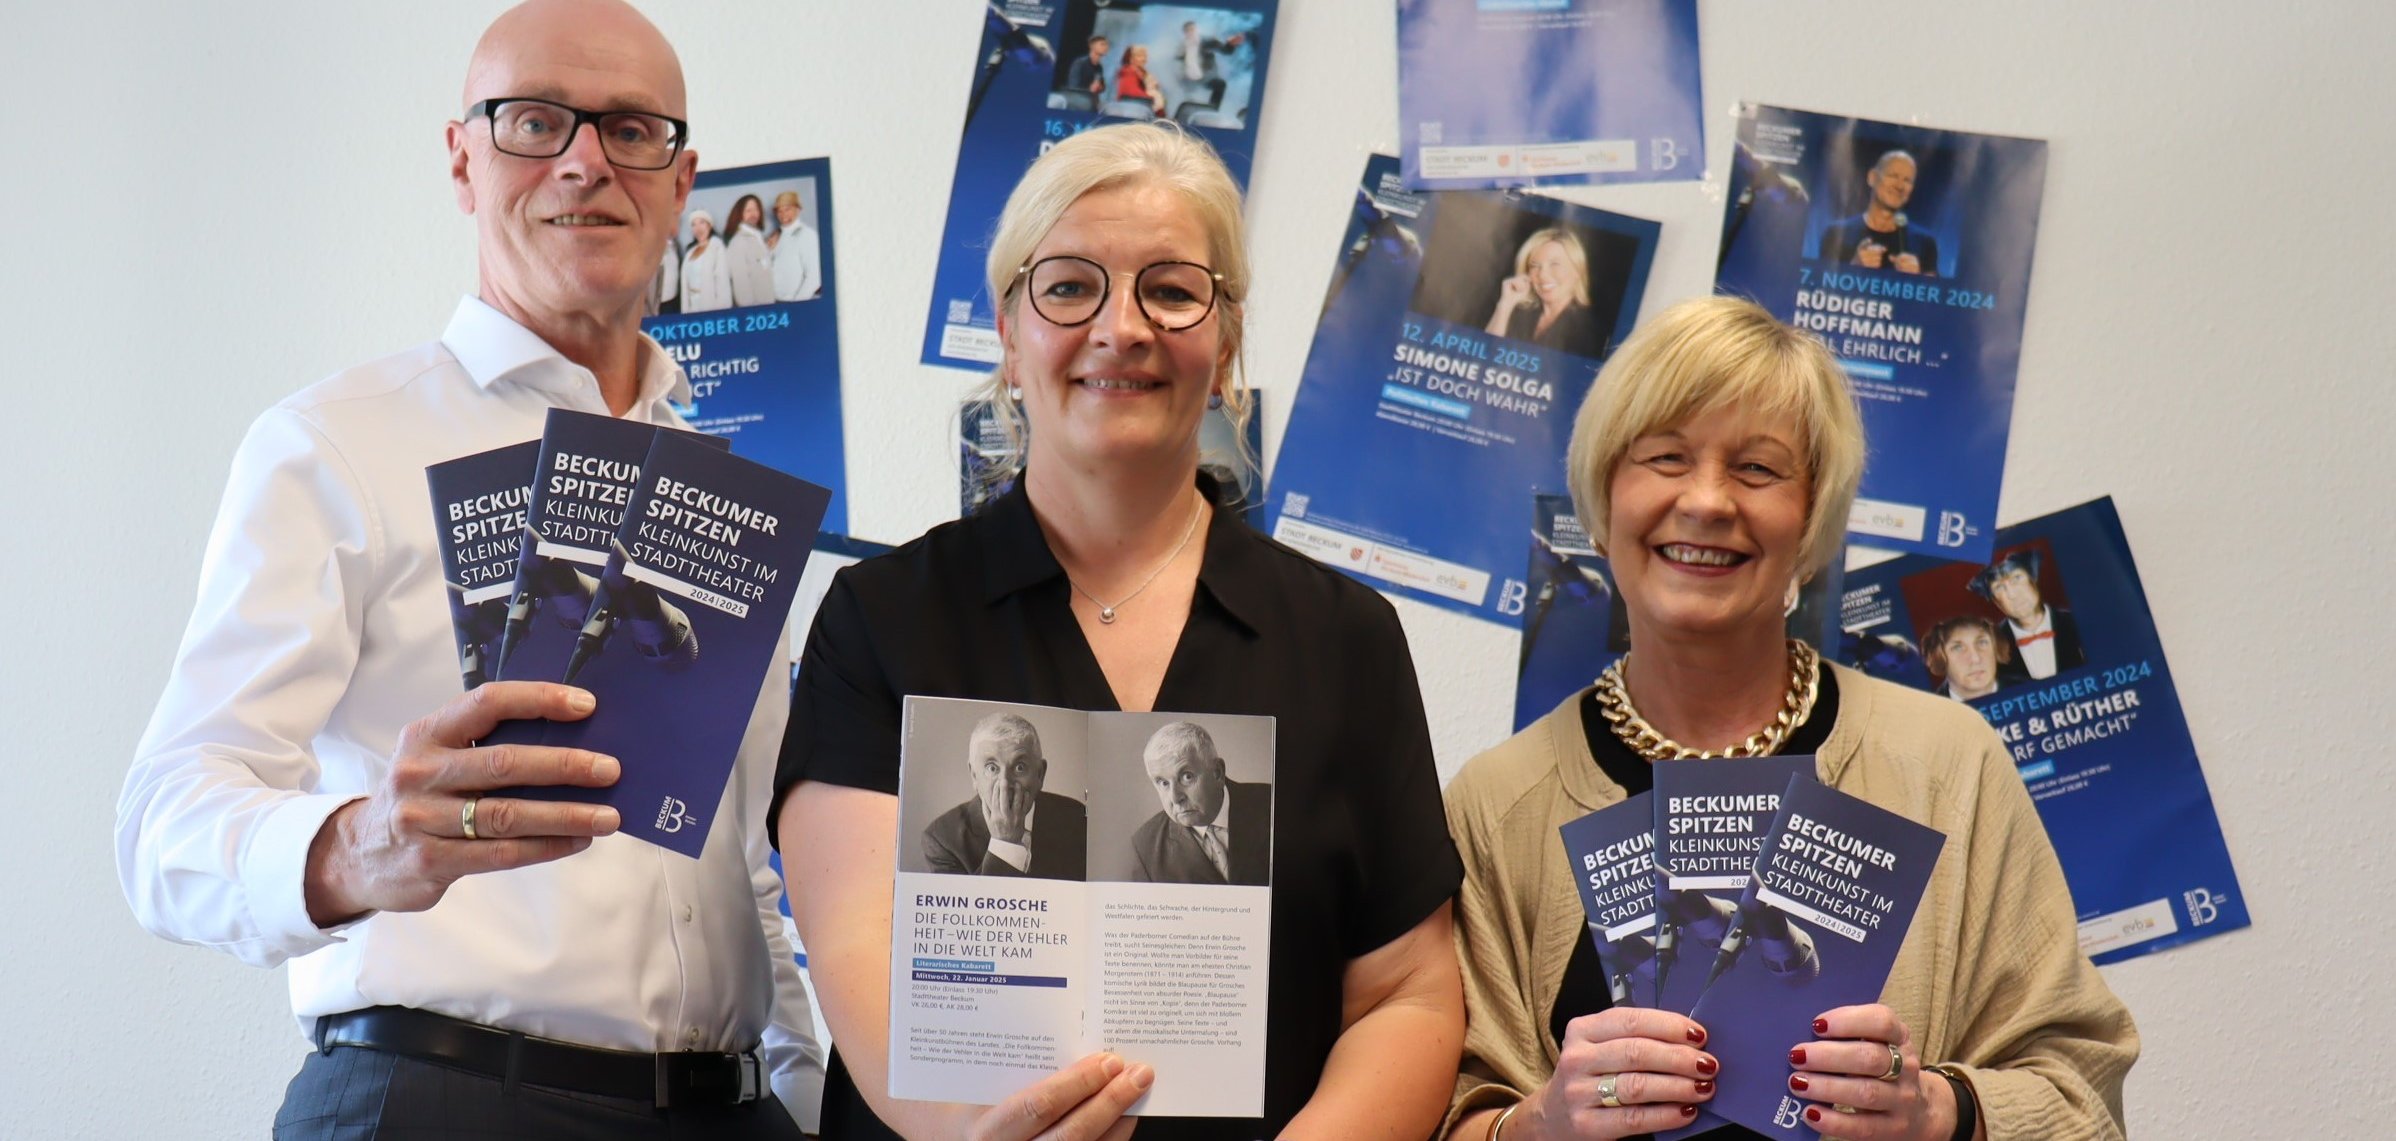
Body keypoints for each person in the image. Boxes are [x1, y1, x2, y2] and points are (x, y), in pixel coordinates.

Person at [114, 2, 823, 1136]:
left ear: (680, 179)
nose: (586, 161)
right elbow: (160, 827)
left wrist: (795, 1085)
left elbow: (747, 859)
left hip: (726, 1108)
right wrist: (357, 843)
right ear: (463, 158)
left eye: (630, 129)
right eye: (535, 121)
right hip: (443, 1099)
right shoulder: (335, 443)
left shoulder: (723, 492)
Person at [775, 122, 1464, 1141]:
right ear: (1009, 334)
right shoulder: (882, 618)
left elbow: (1405, 993)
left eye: (1172, 289)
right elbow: (857, 949)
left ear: (1224, 337)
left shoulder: (1343, 638)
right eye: (1068, 287)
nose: (1121, 327)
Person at [1441, 296, 2136, 1141]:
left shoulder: (1949, 765)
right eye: (1664, 456)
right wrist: (1541, 1123)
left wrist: (1942, 1113)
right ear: (1601, 500)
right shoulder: (1496, 802)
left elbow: (2085, 1094)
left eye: (1758, 469)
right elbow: (1436, 1113)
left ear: (1811, 525)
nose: (1705, 500)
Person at [919, 712, 1088, 880]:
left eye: (1019, 767)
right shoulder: (942, 838)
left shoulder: (1076, 818)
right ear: (974, 776)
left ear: (1040, 774)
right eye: (992, 768)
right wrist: (1004, 844)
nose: (1005, 783)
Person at [1128, 720, 1269, 886]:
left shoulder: (1271, 803)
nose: (1174, 798)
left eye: (1187, 776)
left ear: (1217, 772)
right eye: (1163, 783)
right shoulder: (1145, 847)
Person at [1484, 227, 1609, 359]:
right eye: (1535, 266)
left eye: (1555, 264)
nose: (1542, 275)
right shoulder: (1521, 315)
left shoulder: (1589, 330)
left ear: (1577, 270)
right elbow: (1484, 354)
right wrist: (1505, 304)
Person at [1818, 149, 1942, 277]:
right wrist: (1854, 267)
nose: (1899, 186)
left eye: (1907, 180)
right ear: (1872, 178)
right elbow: (1819, 288)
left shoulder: (1924, 242)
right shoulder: (1837, 234)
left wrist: (1918, 277)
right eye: (1893, 176)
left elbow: (1936, 294)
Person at [1971, 549, 2087, 680]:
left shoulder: (2080, 622)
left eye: (2017, 578)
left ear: (2033, 577)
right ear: (1994, 600)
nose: (2012, 594)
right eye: (1999, 587)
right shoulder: (1989, 648)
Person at [1923, 614, 2018, 702]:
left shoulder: (2029, 689)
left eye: (1982, 643)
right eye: (1958, 648)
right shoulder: (1930, 715)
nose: (1975, 659)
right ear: (1940, 658)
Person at [725, 192, 775, 307]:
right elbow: (741, 286)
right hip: (755, 308)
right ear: (740, 214)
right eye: (748, 210)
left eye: (756, 209)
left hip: (769, 304)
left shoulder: (758, 238)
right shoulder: (737, 242)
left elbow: (762, 267)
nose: (753, 214)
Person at [770, 190, 821, 302]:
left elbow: (815, 276)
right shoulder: (776, 236)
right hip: (774, 303)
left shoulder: (807, 235)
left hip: (793, 303)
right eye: (779, 211)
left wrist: (797, 305)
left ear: (798, 209)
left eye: (787, 209)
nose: (783, 215)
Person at [681, 207, 732, 311]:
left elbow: (723, 283)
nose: (698, 228)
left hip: (711, 304)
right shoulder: (690, 252)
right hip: (692, 305)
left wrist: (722, 311)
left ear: (709, 225)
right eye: (693, 224)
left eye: (702, 222)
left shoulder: (717, 248)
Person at [1114, 43, 1166, 117]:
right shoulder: (1127, 72)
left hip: (1144, 107)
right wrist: (1151, 98)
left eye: (1145, 56)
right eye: (1139, 56)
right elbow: (1131, 93)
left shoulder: (1144, 72)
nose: (1143, 59)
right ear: (1131, 58)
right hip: (1134, 108)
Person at [1065, 34, 1109, 99]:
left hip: (1091, 101)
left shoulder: (1099, 67)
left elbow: (1102, 87)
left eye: (1107, 44)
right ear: (1092, 46)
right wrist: (1089, 90)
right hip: (1077, 100)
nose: (1106, 47)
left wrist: (1099, 87)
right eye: (1102, 44)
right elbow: (1073, 87)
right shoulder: (1080, 63)